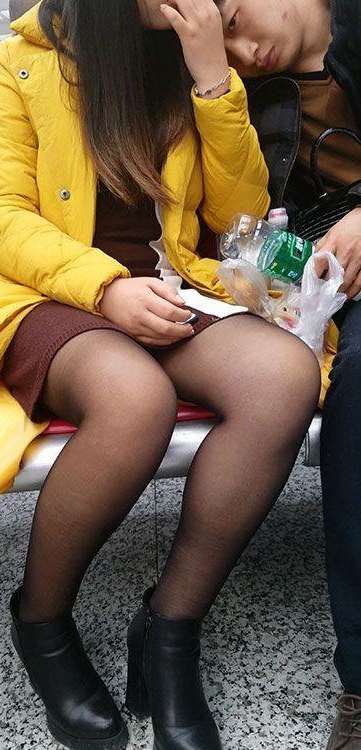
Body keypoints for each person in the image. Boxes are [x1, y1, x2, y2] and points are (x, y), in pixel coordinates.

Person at [0, 1, 322, 749]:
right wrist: (104, 287)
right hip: (50, 297)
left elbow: (238, 215)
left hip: (169, 286)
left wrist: (214, 82)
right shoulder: (24, 60)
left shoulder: (193, 57)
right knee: (134, 399)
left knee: (283, 377)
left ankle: (171, 625)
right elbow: (3, 217)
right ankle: (42, 621)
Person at [213, 0, 361, 746]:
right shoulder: (252, 101)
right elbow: (237, 213)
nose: (243, 51)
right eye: (225, 45)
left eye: (236, 20)